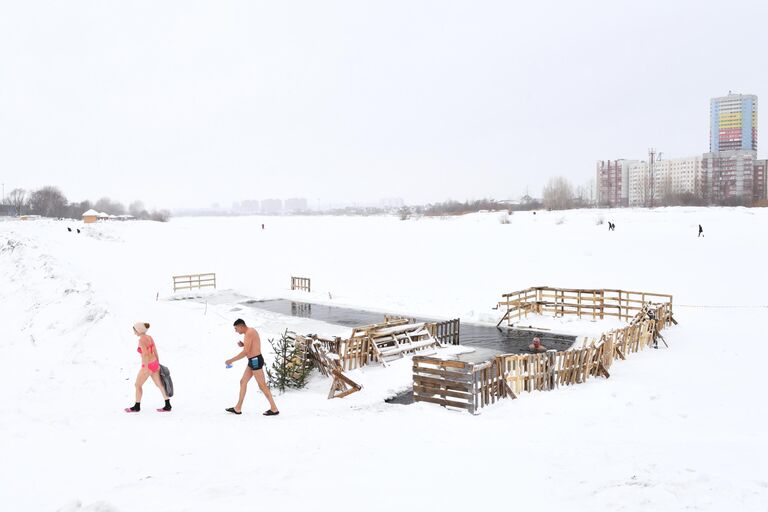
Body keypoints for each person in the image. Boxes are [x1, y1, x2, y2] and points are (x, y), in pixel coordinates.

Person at [225, 319, 279, 416]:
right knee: (243, 382)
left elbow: (245, 352)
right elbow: (251, 346)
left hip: (256, 361)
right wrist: (244, 345)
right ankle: (238, 408)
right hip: (253, 361)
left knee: (262, 386)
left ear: (241, 326)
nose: (236, 331)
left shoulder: (249, 333)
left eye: (236, 328)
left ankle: (274, 409)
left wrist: (231, 360)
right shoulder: (249, 332)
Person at [125, 322, 171, 413]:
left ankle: (136, 407)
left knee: (137, 385)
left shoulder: (141, 340)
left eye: (135, 330)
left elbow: (145, 355)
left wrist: (145, 368)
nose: (134, 332)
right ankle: (168, 405)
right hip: (154, 363)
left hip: (147, 365)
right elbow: (155, 350)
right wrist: (157, 362)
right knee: (160, 385)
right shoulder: (150, 337)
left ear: (139, 330)